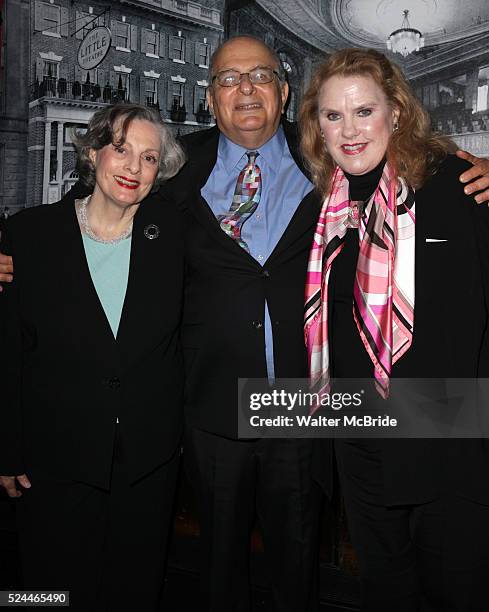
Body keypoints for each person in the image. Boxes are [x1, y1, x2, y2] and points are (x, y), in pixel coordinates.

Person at [1, 37, 489, 612]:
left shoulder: (327, 165)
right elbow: (98, 206)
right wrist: (15, 253)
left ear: (283, 93)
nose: (246, 89)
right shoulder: (175, 173)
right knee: (212, 572)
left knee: (304, 566)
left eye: (260, 75)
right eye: (229, 80)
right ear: (211, 98)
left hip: (317, 409)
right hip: (214, 407)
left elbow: (420, 183)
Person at [300, 48, 489, 611]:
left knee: (458, 591)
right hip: (357, 432)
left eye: (365, 111)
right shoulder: (323, 207)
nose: (350, 130)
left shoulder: (459, 185)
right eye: (333, 115)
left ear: (397, 112)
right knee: (386, 591)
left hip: (449, 434)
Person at [0, 103, 186, 611]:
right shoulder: (29, 235)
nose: (132, 167)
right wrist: (6, 452)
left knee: (133, 591)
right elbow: (10, 351)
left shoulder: (174, 234)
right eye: (121, 149)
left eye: (149, 158)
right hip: (54, 459)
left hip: (146, 463)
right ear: (93, 152)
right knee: (46, 592)